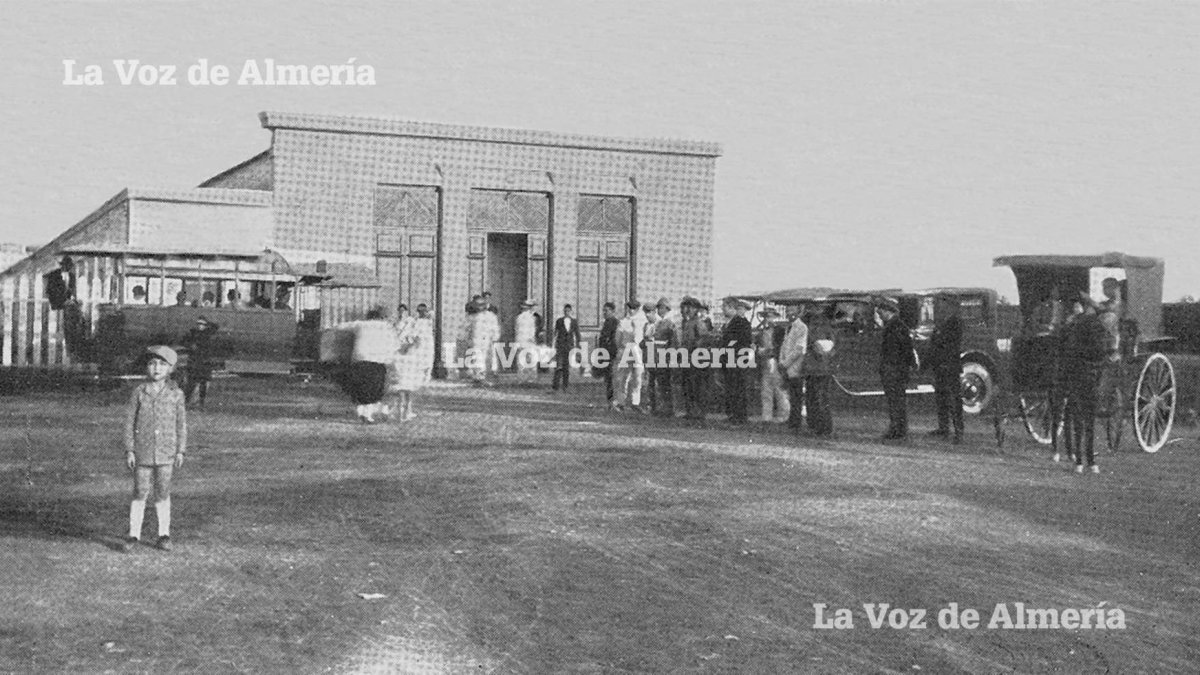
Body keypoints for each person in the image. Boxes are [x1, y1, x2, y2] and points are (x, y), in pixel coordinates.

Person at [122, 345, 187, 552]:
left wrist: (180, 450)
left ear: (170, 369)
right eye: (152, 363)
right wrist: (130, 449)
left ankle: (164, 534)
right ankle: (133, 535)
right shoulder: (139, 392)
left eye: (162, 364)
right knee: (140, 491)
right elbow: (129, 422)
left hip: (166, 452)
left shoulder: (176, 394)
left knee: (162, 491)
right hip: (143, 451)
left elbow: (181, 424)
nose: (156, 368)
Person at [1060, 301, 1108, 473]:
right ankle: (1084, 460)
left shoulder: (1086, 327)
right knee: (1085, 420)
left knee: (1083, 420)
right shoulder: (1083, 327)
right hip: (1083, 373)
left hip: (1084, 374)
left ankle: (1084, 460)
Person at [344, 307, 397, 422]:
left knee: (361, 387)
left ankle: (362, 411)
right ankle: (369, 414)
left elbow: (342, 327)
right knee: (374, 389)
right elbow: (393, 345)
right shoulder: (386, 327)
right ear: (382, 317)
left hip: (359, 359)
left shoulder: (360, 324)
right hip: (377, 360)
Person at [926, 297, 964, 443]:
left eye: (943, 304)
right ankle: (943, 428)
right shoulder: (942, 323)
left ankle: (959, 431)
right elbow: (934, 345)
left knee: (954, 400)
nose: (940, 308)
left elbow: (951, 345)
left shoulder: (955, 322)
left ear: (951, 306)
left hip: (949, 366)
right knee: (941, 398)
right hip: (940, 367)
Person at [388, 302, 433, 421]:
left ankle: (407, 410)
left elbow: (417, 340)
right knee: (400, 384)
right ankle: (398, 410)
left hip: (408, 356)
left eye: (404, 311)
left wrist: (409, 346)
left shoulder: (413, 323)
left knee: (408, 385)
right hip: (398, 355)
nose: (402, 313)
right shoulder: (395, 324)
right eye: (400, 310)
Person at [879, 300, 915, 440]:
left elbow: (905, 350)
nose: (879, 314)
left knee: (895, 401)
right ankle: (899, 428)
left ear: (888, 311)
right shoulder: (898, 326)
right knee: (897, 400)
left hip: (894, 369)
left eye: (880, 311)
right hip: (896, 369)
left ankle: (897, 429)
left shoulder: (895, 327)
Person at [803, 305, 836, 436]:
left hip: (818, 366)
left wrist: (821, 351)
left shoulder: (818, 325)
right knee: (815, 397)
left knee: (819, 397)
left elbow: (827, 345)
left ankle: (822, 426)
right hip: (817, 366)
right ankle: (819, 425)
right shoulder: (823, 324)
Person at [720, 297, 753, 425]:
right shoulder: (731, 322)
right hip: (730, 360)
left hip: (737, 360)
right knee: (731, 388)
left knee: (737, 389)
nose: (723, 309)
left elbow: (743, 342)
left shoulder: (741, 323)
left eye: (724, 307)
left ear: (731, 307)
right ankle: (733, 414)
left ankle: (739, 416)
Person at [679, 296, 711, 420]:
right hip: (686, 357)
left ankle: (699, 412)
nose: (688, 310)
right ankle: (690, 411)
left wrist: (694, 349)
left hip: (696, 358)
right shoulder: (687, 322)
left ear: (696, 309)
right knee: (688, 385)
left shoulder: (699, 322)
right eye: (686, 307)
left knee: (697, 386)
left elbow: (703, 339)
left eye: (691, 308)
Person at [778, 304, 809, 432]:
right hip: (787, 366)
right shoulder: (789, 327)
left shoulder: (801, 327)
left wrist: (785, 363)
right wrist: (782, 361)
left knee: (796, 396)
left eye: (792, 310)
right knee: (791, 395)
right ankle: (792, 420)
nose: (789, 312)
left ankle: (795, 422)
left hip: (795, 366)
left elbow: (799, 349)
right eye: (787, 310)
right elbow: (785, 346)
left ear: (798, 311)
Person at [613, 300, 648, 412]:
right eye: (630, 308)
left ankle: (635, 402)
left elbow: (644, 337)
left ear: (638, 309)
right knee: (622, 377)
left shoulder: (643, 321)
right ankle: (621, 401)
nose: (631, 310)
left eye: (634, 308)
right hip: (626, 349)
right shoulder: (623, 322)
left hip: (638, 350)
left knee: (637, 377)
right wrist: (621, 349)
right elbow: (617, 339)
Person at [756, 307, 789, 423]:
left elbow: (781, 346)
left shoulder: (780, 330)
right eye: (766, 317)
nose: (767, 319)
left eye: (770, 316)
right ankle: (766, 416)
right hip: (765, 361)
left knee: (779, 389)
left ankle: (784, 415)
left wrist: (770, 351)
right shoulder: (762, 331)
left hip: (775, 360)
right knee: (766, 390)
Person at [647, 297, 679, 417]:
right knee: (655, 384)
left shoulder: (670, 324)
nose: (660, 310)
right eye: (658, 308)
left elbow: (673, 342)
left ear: (667, 309)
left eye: (662, 308)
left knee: (664, 384)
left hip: (663, 357)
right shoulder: (655, 323)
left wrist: (671, 359)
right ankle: (656, 407)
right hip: (653, 356)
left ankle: (667, 409)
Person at [182, 315, 221, 407]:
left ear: (205, 325)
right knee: (191, 382)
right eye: (198, 323)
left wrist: (207, 322)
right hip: (194, 360)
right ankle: (187, 401)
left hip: (205, 361)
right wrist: (190, 345)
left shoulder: (208, 332)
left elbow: (216, 326)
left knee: (203, 383)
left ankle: (201, 402)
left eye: (202, 324)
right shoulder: (192, 333)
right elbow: (183, 341)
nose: (200, 326)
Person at [466, 296, 500, 385]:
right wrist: (468, 339)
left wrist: (495, 337)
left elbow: (495, 328)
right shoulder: (472, 317)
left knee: (488, 359)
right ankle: (478, 377)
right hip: (476, 340)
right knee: (477, 358)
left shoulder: (491, 316)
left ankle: (487, 376)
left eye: (481, 305)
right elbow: (467, 329)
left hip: (487, 340)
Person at [552, 304, 582, 391]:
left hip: (569, 346)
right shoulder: (559, 321)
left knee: (566, 367)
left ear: (571, 311)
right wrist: (553, 345)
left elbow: (577, 334)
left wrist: (578, 346)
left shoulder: (574, 321)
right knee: (558, 366)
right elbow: (555, 333)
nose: (567, 312)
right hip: (560, 346)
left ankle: (565, 385)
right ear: (563, 311)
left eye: (568, 311)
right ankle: (555, 385)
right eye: (565, 311)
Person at [596, 302, 620, 404]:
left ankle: (615, 400)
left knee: (612, 377)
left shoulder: (615, 322)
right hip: (605, 353)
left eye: (606, 310)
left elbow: (614, 338)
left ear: (613, 311)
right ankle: (610, 400)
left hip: (611, 353)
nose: (604, 313)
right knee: (608, 378)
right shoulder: (606, 322)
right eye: (603, 310)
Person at [514, 299, 539, 385]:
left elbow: (517, 330)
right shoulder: (531, 318)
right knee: (531, 361)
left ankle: (521, 379)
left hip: (521, 341)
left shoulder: (519, 317)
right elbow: (532, 331)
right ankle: (531, 379)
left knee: (522, 361)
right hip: (529, 342)